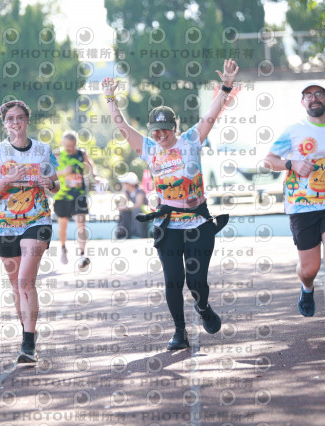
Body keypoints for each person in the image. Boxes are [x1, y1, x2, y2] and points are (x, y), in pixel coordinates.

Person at [102, 59, 238, 350]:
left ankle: (203, 307)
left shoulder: (191, 140)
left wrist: (226, 87)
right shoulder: (149, 149)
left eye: (165, 129)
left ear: (175, 127)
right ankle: (179, 332)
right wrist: (111, 98)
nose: (160, 135)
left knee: (197, 282)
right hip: (168, 224)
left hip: (198, 222)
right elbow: (121, 125)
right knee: (173, 280)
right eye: (156, 130)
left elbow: (211, 116)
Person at [263, 81, 325, 343]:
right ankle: (306, 287)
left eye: (318, 94)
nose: (313, 98)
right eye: (308, 95)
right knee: (310, 268)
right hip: (302, 205)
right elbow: (269, 160)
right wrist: (292, 163)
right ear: (303, 103)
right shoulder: (293, 130)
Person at [0, 100, 60, 364]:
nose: (15, 122)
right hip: (4, 224)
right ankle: (28, 334)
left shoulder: (43, 150)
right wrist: (7, 179)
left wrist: (49, 183)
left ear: (27, 120)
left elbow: (55, 185)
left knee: (26, 281)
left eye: (20, 117)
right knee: (16, 284)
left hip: (37, 220)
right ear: (5, 124)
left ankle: (28, 345)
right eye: (10, 119)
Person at [53, 132, 96, 269]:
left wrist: (94, 176)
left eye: (72, 146)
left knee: (81, 224)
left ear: (76, 144)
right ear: (62, 143)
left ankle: (82, 255)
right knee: (63, 226)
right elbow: (48, 174)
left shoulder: (81, 154)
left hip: (79, 195)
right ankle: (63, 248)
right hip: (62, 196)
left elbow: (90, 167)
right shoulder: (57, 155)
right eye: (67, 146)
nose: (69, 149)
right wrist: (63, 172)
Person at [115, 171, 149, 239]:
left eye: (124, 183)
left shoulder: (139, 191)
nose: (123, 184)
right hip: (135, 209)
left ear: (129, 183)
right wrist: (122, 207)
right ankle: (123, 233)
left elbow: (138, 204)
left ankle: (138, 234)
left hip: (144, 211)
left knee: (136, 211)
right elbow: (124, 202)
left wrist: (127, 207)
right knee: (123, 211)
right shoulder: (127, 191)